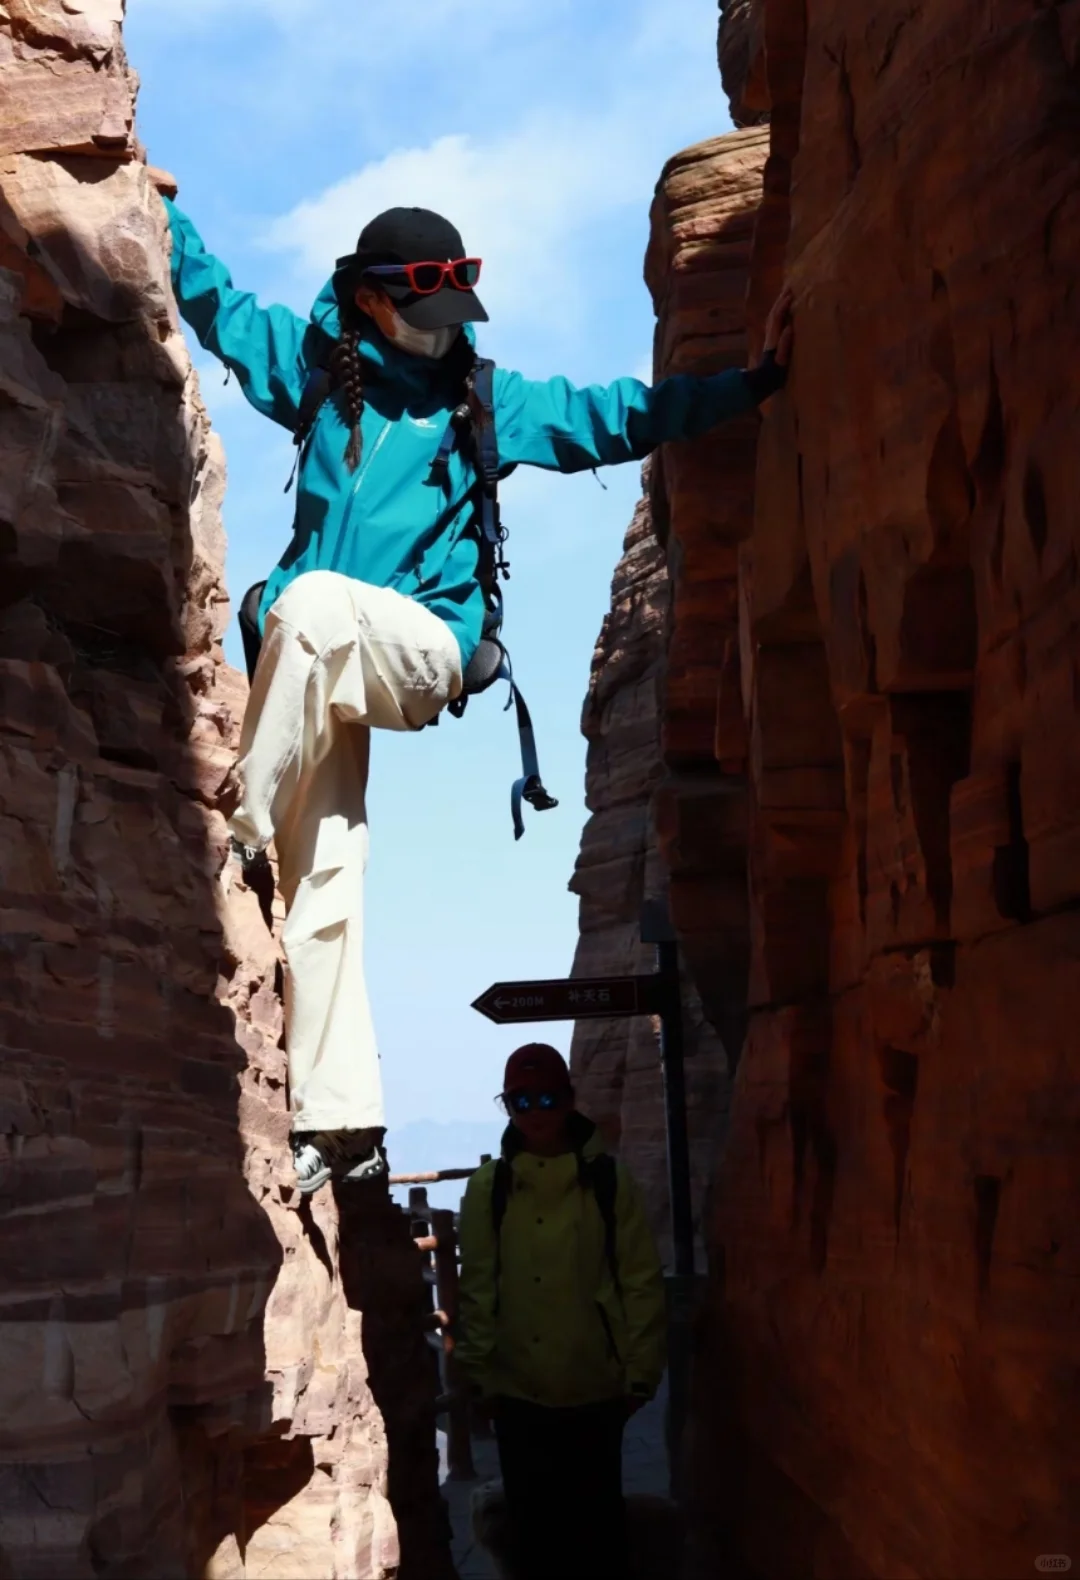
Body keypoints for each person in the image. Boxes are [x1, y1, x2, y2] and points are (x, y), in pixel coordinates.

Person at [160, 186, 795, 1195]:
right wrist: (166, 208)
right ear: (368, 300)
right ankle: (342, 1118)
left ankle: (232, 826)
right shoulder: (316, 374)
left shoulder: (484, 400)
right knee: (323, 870)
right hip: (321, 661)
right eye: (425, 312)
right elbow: (215, 303)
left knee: (311, 604)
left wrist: (753, 384)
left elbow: (621, 414)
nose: (444, 335)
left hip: (425, 649)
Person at [457, 1043, 667, 1580]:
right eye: (521, 1100)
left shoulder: (608, 1182)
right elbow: (478, 1289)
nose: (536, 1111)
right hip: (517, 1389)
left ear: (571, 1100)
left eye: (548, 1097)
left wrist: (641, 1374)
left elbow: (639, 1280)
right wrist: (477, 1378)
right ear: (507, 1106)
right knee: (534, 1536)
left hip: (594, 1385)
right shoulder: (488, 1190)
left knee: (596, 1531)